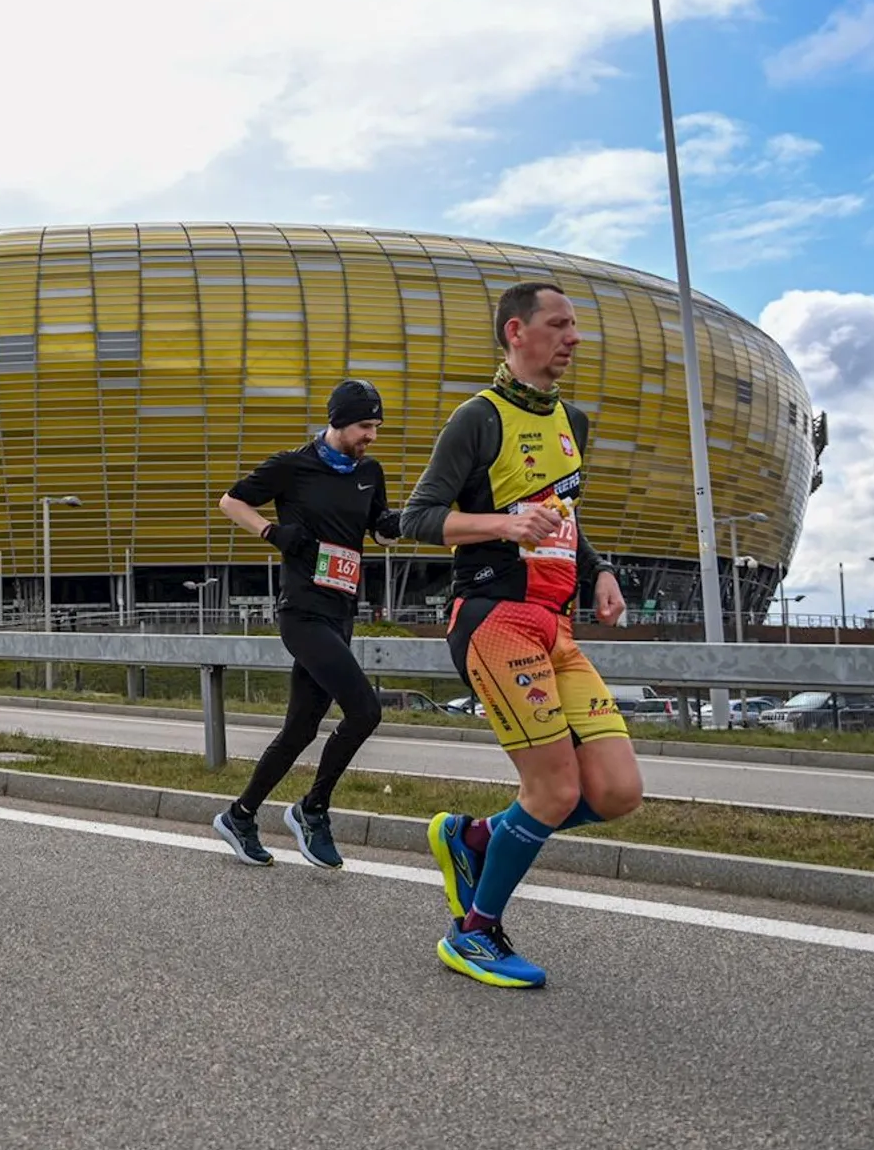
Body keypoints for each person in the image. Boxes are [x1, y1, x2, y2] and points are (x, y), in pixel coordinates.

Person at [401, 281, 644, 989]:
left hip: (558, 625)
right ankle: (475, 935)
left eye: (575, 326)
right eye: (558, 324)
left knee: (617, 791)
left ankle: (474, 837)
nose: (573, 338)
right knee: (554, 790)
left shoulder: (574, 420)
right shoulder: (477, 419)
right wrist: (505, 525)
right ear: (516, 332)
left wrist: (598, 572)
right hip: (494, 618)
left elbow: (564, 514)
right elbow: (418, 518)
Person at [209, 379, 404, 870]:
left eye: (376, 427)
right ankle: (312, 809)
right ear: (338, 421)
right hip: (302, 612)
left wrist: (396, 526)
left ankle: (240, 815)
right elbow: (231, 501)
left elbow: (377, 530)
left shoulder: (369, 471)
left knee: (301, 727)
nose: (372, 436)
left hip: (342, 611)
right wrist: (273, 532)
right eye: (365, 426)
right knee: (365, 711)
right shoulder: (292, 466)